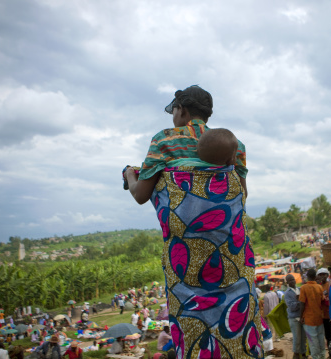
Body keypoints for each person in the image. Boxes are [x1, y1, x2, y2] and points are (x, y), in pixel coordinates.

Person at [123, 85, 263, 358]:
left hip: (185, 261)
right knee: (238, 318)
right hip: (231, 254)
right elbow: (240, 193)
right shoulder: (235, 144)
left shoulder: (164, 140)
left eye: (173, 110)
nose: (172, 116)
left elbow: (141, 195)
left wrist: (130, 175)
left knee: (192, 322)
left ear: (182, 110)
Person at [299, 269, 326, 359]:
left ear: (307, 277)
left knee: (313, 341)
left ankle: (316, 357)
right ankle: (322, 356)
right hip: (319, 317)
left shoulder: (304, 288)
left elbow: (302, 303)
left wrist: (300, 317)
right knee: (321, 338)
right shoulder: (319, 287)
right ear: (315, 277)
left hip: (309, 318)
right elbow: (323, 300)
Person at [284, 274, 306, 359]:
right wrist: (300, 301)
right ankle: (296, 355)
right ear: (287, 283)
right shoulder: (287, 293)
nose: (292, 281)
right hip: (293, 318)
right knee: (297, 338)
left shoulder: (300, 289)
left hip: (302, 316)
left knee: (303, 337)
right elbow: (292, 307)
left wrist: (300, 301)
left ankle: (303, 354)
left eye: (292, 279)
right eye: (290, 280)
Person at [316, 268, 331, 353]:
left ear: (327, 275)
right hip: (320, 315)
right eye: (320, 275)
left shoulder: (329, 285)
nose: (322, 276)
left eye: (324, 274)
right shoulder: (318, 286)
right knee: (320, 335)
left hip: (328, 315)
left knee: (329, 335)